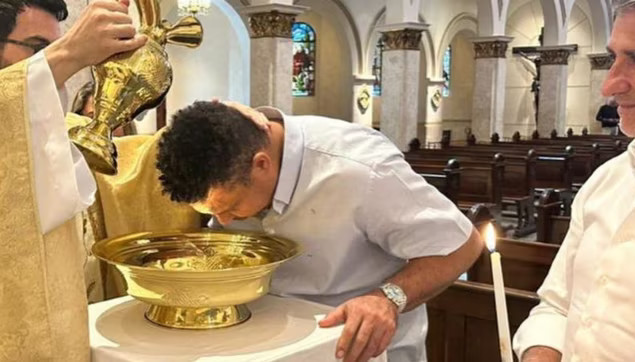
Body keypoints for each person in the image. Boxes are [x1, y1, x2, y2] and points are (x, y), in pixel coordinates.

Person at [156, 101, 483, 362]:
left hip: (356, 350)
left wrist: (387, 298)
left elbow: (462, 244)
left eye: (230, 207)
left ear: (261, 165)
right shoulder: (229, 146)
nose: (222, 222)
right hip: (266, 344)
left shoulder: (362, 170)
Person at [0, 0, 146, 360]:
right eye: (37, 49)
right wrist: (66, 54)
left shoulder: (53, 125)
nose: (48, 65)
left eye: (54, 45)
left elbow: (128, 167)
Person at [513, 1, 635, 361]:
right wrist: (541, 352)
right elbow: (558, 304)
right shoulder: (607, 180)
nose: (609, 85)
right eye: (613, 57)